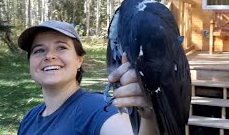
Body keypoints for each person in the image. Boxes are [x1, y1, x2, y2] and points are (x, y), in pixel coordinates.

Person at [17, 20, 156, 135]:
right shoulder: (29, 119)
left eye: (61, 47)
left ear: (79, 60)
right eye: (39, 50)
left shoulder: (95, 109)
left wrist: (148, 119)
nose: (49, 56)